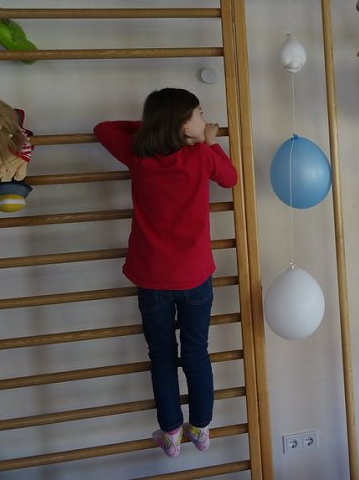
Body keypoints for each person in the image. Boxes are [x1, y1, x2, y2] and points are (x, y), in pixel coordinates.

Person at [94, 88, 237, 458]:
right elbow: (231, 178)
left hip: (152, 281)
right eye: (199, 114)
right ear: (181, 124)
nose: (205, 121)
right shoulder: (201, 157)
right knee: (196, 354)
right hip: (195, 279)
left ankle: (171, 433)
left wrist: (155, 129)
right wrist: (208, 142)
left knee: (161, 357)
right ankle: (201, 428)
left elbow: (104, 129)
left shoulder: (138, 156)